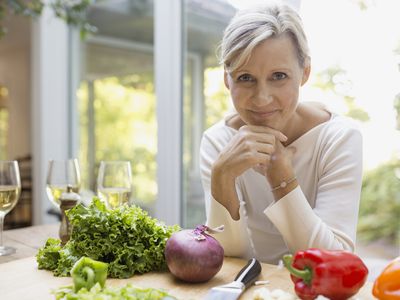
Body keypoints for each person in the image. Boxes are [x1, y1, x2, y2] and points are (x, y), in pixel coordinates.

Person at [199, 1, 363, 264]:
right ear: (227, 80)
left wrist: (282, 178)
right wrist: (222, 175)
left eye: (278, 76)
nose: (262, 99)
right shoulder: (218, 142)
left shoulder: (339, 138)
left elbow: (334, 261)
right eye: (245, 77)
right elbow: (227, 258)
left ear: (304, 73)